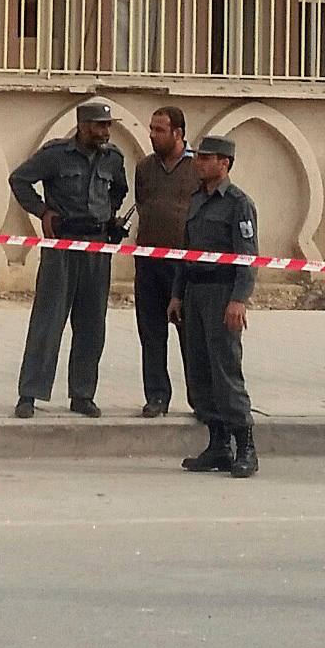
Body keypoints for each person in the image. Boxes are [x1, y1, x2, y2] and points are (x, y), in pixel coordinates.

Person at [8, 98, 131, 419]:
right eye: (99, 125)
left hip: (97, 248)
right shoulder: (55, 156)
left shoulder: (113, 159)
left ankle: (82, 394)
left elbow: (119, 190)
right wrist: (43, 211)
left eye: (108, 126)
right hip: (63, 246)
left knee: (92, 324)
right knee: (48, 321)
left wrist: (110, 218)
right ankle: (29, 394)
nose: (105, 132)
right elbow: (19, 180)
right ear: (82, 125)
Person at [172, 133, 260, 478]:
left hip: (222, 294)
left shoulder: (238, 203)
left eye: (206, 158)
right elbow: (185, 250)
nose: (199, 163)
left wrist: (239, 299)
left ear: (224, 163)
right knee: (200, 370)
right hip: (195, 293)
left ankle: (246, 446)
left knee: (225, 370)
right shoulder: (196, 199)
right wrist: (178, 294)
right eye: (198, 157)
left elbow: (247, 257)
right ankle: (217, 444)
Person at [130, 106, 195, 418]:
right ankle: (156, 396)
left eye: (160, 130)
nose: (153, 135)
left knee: (190, 334)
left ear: (178, 134)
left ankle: (199, 397)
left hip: (183, 266)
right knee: (151, 333)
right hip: (147, 263)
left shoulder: (197, 168)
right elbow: (143, 203)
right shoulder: (144, 167)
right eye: (151, 129)